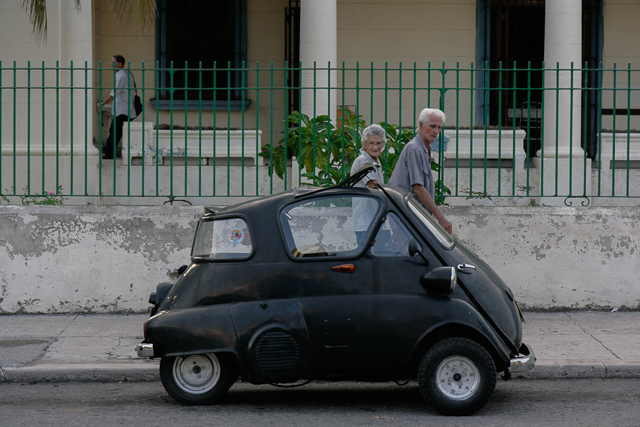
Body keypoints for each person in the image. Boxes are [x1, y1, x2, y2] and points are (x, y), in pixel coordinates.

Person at [388, 108, 453, 234]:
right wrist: (440, 218)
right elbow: (418, 188)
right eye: (432, 126)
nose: (436, 131)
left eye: (439, 128)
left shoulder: (425, 149)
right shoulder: (414, 148)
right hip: (405, 217)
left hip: (414, 216)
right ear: (421, 125)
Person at [350, 124, 387, 244]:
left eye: (379, 143)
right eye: (371, 143)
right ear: (364, 144)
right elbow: (374, 186)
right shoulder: (363, 160)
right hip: (366, 223)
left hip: (376, 220)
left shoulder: (376, 160)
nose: (376, 147)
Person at [96, 55, 137, 159]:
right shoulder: (126, 73)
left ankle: (109, 153)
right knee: (118, 132)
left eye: (113, 62)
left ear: (120, 63)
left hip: (123, 110)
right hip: (126, 109)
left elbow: (114, 93)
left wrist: (103, 103)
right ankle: (112, 152)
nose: (111, 64)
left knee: (114, 132)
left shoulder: (121, 75)